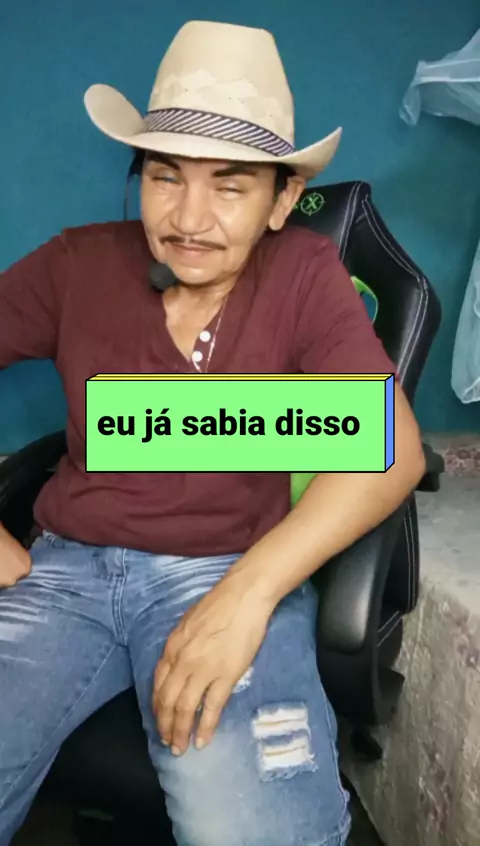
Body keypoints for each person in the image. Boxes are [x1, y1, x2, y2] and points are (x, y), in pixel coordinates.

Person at [0, 19, 425, 846]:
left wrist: (250, 593)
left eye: (230, 187)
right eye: (166, 177)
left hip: (228, 567)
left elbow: (392, 451)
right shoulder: (77, 264)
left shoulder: (303, 273)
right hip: (66, 571)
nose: (188, 217)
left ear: (281, 203)